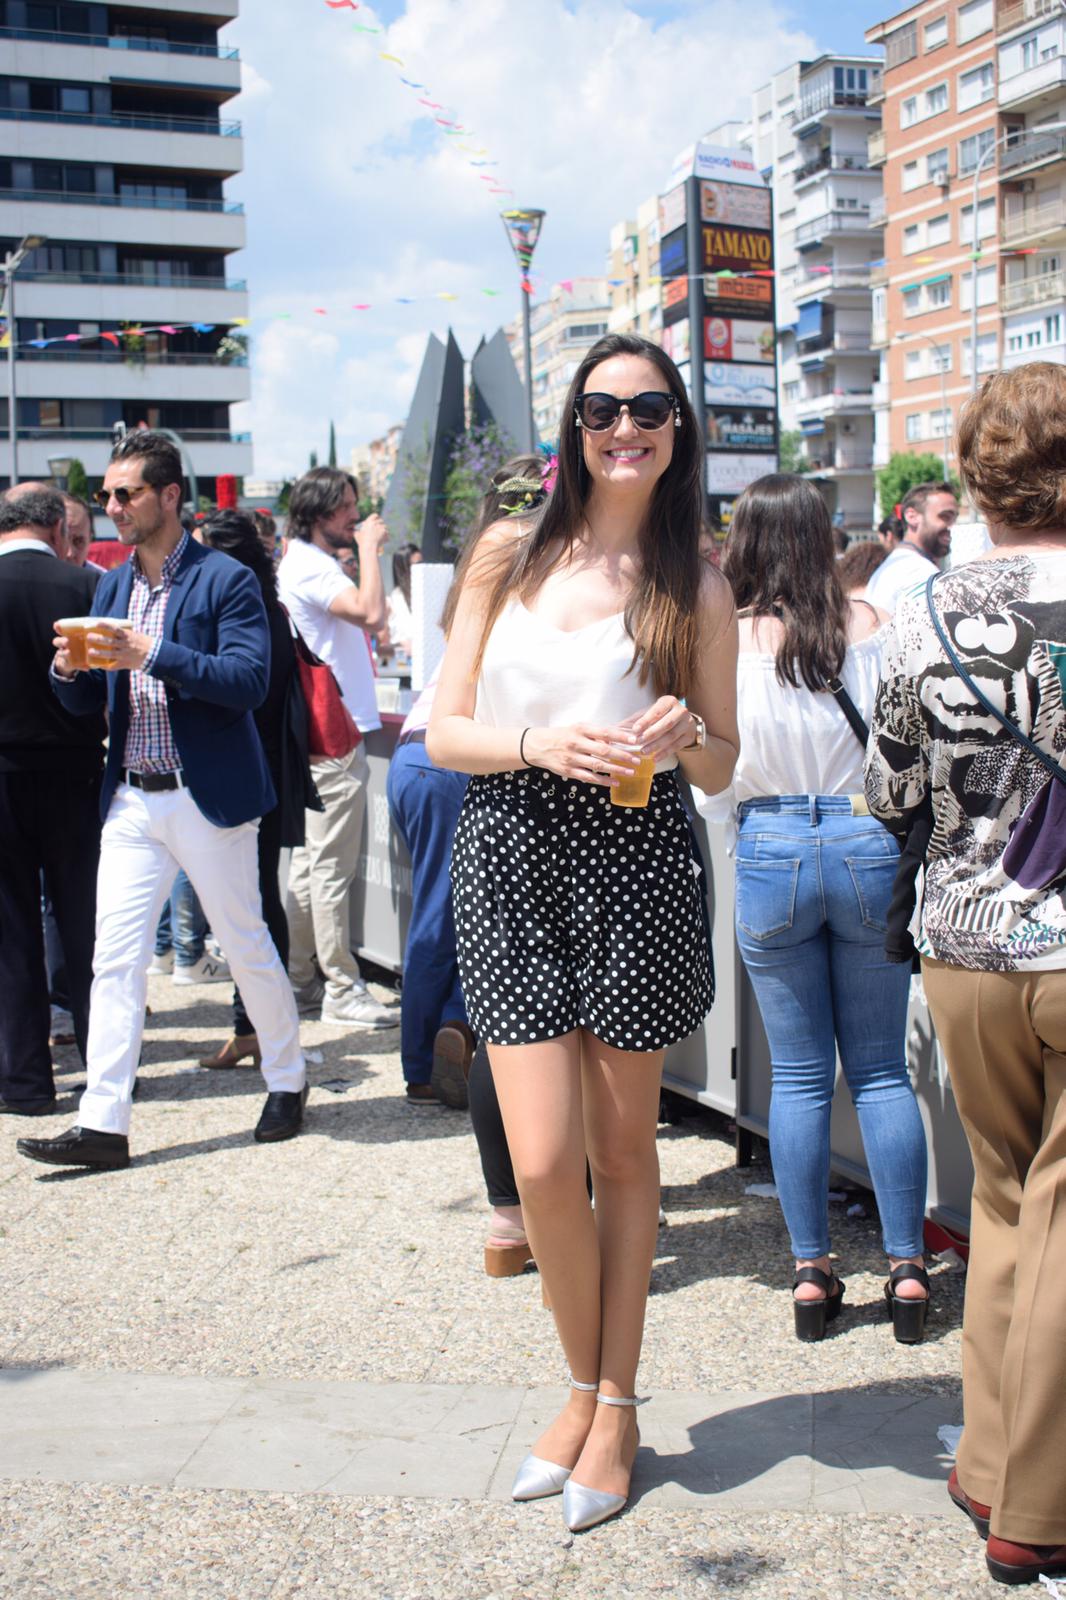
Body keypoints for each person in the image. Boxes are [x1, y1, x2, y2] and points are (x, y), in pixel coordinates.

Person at [428, 332, 738, 1531]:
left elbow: (721, 760)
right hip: (509, 847)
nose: (625, 427)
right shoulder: (506, 554)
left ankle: (614, 1404)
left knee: (621, 1157)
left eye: (650, 409)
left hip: (638, 857)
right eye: (603, 407)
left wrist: (678, 741)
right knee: (544, 1163)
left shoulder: (694, 581)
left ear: (676, 432)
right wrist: (537, 743)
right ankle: (574, 1383)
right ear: (572, 424)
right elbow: (440, 730)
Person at [866, 363, 1066, 1587]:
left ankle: (986, 1457)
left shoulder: (916, 612)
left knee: (1001, 1198)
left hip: (963, 947)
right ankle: (1034, 1506)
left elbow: (889, 793)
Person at [16, 431, 308, 1172]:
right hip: (134, 801)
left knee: (245, 944)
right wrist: (69, 672)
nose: (110, 507)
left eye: (125, 494)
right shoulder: (110, 585)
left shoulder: (224, 579)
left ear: (170, 496)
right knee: (112, 960)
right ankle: (103, 1121)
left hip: (206, 798)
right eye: (108, 495)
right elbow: (86, 705)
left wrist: (151, 654)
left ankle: (286, 1077)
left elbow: (247, 680)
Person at [707, 474, 929, 1344]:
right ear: (822, 537)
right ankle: (908, 1270)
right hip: (867, 838)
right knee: (880, 1072)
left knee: (799, 1077)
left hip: (769, 846)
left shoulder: (720, 639)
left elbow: (714, 776)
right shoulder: (870, 625)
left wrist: (745, 843)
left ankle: (811, 1274)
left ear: (746, 543)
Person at [386, 456, 546, 1113]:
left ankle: (435, 1047)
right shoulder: (533, 565)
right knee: (474, 913)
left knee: (443, 909)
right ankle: (441, 1043)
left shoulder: (471, 567)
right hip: (463, 754)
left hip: (414, 752)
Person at [197, 508, 317, 1069]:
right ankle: (252, 1028)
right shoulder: (263, 610)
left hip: (253, 778)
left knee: (253, 907)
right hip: (256, 775)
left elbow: (251, 700)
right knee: (252, 903)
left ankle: (263, 1032)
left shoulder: (257, 615)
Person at [277, 468, 396, 1029]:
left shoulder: (304, 562)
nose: (356, 514)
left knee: (306, 867)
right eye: (348, 506)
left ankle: (301, 981)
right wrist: (370, 549)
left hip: (323, 731)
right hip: (335, 733)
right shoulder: (312, 567)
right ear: (320, 512)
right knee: (328, 869)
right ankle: (340, 988)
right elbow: (372, 614)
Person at [0, 486, 104, 1114]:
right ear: (56, 528)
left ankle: (26, 1082)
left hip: (2, 771)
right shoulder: (82, 589)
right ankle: (106, 1070)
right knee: (86, 926)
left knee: (11, 931)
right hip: (74, 771)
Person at [865, 482, 958, 612]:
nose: (952, 526)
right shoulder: (919, 572)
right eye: (945, 516)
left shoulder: (897, 564)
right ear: (912, 516)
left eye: (954, 519)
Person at [386, 541, 422, 657]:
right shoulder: (392, 601)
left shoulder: (428, 595)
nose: (422, 568)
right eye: (416, 565)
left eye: (422, 563)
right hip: (404, 666)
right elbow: (385, 643)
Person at [63, 493, 106, 573]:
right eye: (62, 541)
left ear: (90, 539)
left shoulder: (104, 583)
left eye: (78, 541)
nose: (70, 553)